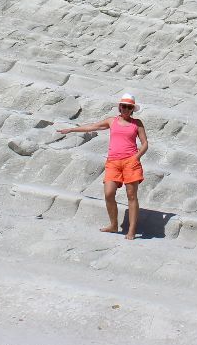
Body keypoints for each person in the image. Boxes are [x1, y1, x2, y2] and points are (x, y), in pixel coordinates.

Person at [57, 93, 149, 240]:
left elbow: (145, 143)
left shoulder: (137, 123)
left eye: (129, 107)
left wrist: (136, 158)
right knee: (108, 193)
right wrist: (72, 129)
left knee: (131, 196)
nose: (126, 109)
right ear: (119, 107)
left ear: (132, 109)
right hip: (113, 162)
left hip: (130, 162)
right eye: (123, 106)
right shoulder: (112, 121)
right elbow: (93, 126)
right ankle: (113, 225)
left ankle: (131, 230)